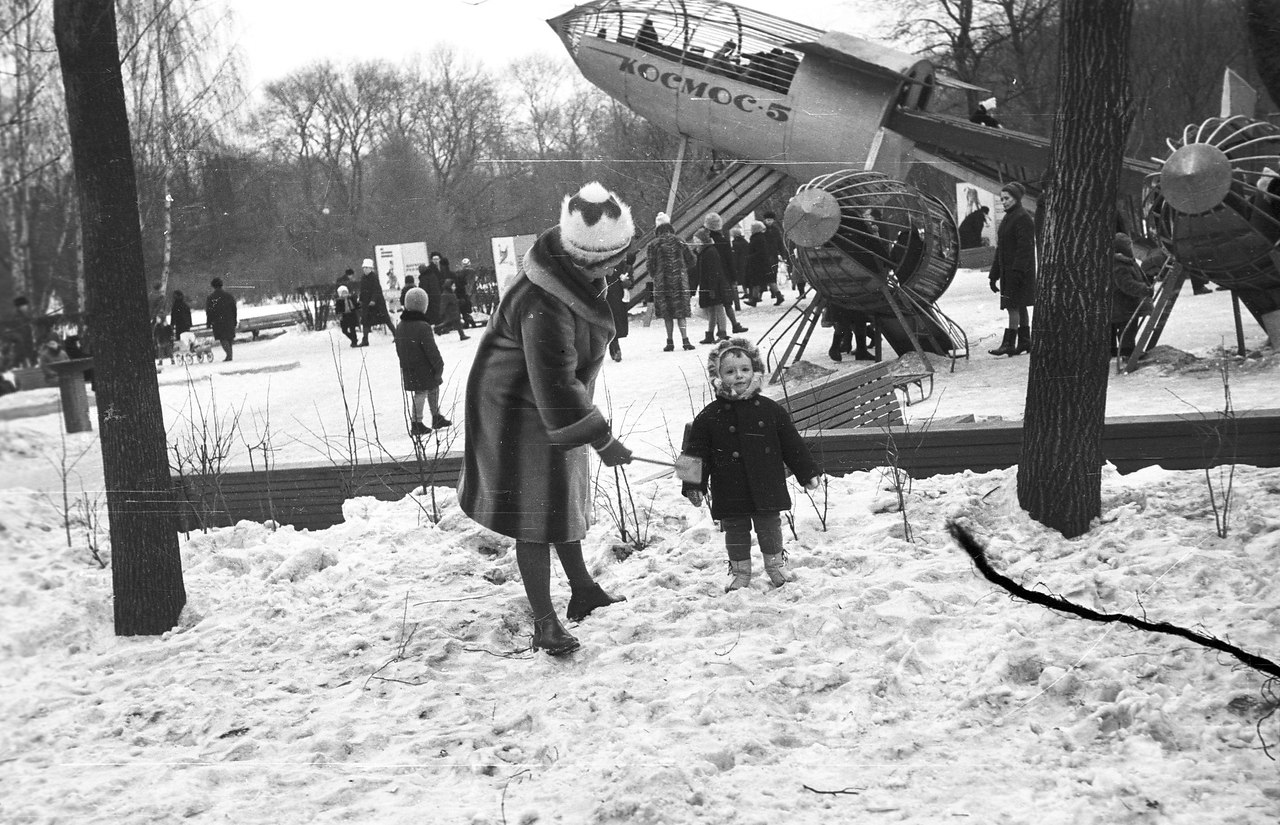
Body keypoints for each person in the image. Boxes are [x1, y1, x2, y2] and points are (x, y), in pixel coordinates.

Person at [458, 181, 634, 657]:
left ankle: (581, 589)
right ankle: (544, 622)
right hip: (514, 408)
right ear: (588, 257)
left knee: (562, 495)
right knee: (534, 515)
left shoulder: (571, 269)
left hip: (551, 404)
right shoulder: (544, 299)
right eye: (614, 259)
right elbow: (554, 381)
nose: (620, 266)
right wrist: (602, 439)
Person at [680, 338, 821, 591]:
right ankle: (740, 572)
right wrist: (692, 485)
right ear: (718, 375)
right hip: (730, 486)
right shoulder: (709, 415)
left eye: (745, 369)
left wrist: (807, 471)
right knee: (735, 530)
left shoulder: (771, 410)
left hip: (766, 482)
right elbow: (694, 452)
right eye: (730, 371)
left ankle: (775, 566)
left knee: (769, 526)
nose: (739, 376)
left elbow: (792, 443)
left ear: (755, 371)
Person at [987, 182, 1036, 356]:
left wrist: (1018, 271)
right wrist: (994, 275)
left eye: (1007, 198)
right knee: (1019, 305)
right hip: (1011, 271)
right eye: (1002, 199)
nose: (1004, 202)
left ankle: (1009, 343)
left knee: (1013, 306)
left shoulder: (1022, 217)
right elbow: (1001, 249)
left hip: (1018, 271)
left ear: (1016, 198)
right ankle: (1025, 341)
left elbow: (1025, 248)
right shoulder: (1010, 217)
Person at [394, 287, 449, 436]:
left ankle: (436, 416)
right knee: (423, 392)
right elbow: (431, 350)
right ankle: (416, 422)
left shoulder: (400, 326)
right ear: (423, 306)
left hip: (408, 366)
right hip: (424, 366)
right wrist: (439, 365)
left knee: (432, 388)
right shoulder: (423, 326)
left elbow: (399, 347)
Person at [647, 212, 696, 352]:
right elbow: (692, 260)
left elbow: (650, 266)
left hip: (662, 282)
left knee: (667, 313)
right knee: (681, 312)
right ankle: (685, 340)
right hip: (680, 281)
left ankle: (670, 341)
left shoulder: (653, 244)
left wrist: (656, 274)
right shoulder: (679, 240)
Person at [1110, 222, 1153, 358]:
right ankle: (1127, 352)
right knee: (1127, 328)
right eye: (1129, 246)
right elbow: (1127, 284)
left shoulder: (1127, 262)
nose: (1131, 249)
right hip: (1122, 305)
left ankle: (1116, 350)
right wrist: (1144, 289)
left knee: (1122, 328)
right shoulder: (1119, 264)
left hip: (1121, 304)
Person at [703, 213, 748, 333]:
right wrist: (734, 278)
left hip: (712, 276)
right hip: (725, 275)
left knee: (715, 304)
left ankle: (719, 328)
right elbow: (730, 260)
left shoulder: (706, 242)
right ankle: (734, 324)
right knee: (727, 302)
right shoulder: (724, 241)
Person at [690, 227, 729, 344]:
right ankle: (710, 334)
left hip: (714, 286)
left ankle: (722, 333)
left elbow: (714, 271)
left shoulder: (710, 252)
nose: (695, 242)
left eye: (696, 240)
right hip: (709, 285)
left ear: (702, 240)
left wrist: (712, 288)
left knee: (718, 308)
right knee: (711, 310)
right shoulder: (703, 252)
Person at [604, 253, 634, 361]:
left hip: (617, 295)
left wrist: (627, 282)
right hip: (605, 295)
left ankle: (615, 346)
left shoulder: (621, 263)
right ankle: (614, 347)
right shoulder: (602, 260)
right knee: (609, 322)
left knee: (615, 321)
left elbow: (630, 278)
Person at [358, 258, 394, 345]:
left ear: (370, 268)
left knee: (386, 319)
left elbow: (376, 290)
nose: (365, 269)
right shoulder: (363, 278)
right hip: (367, 303)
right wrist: (360, 299)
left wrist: (373, 300)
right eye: (364, 268)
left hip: (377, 304)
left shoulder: (374, 277)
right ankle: (365, 340)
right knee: (366, 321)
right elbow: (362, 290)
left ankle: (396, 335)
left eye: (366, 267)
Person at [205, 277, 238, 362]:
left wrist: (208, 323)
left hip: (218, 321)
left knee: (223, 338)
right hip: (229, 319)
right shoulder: (229, 296)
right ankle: (229, 355)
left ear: (213, 286)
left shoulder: (211, 298)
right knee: (229, 338)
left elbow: (209, 311)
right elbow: (234, 309)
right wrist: (234, 319)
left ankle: (229, 355)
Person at [760, 211, 789, 305]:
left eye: (770, 220)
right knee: (770, 275)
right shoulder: (763, 229)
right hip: (768, 255)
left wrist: (783, 254)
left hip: (772, 255)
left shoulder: (774, 230)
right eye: (767, 220)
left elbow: (780, 243)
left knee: (771, 274)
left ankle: (773, 293)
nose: (769, 222)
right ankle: (773, 293)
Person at [418, 255, 446, 325]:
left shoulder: (424, 278)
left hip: (430, 298)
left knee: (431, 313)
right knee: (437, 313)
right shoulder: (432, 274)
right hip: (436, 296)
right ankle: (441, 326)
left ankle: (438, 327)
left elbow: (424, 288)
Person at [456, 258, 477, 328]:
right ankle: (469, 321)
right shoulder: (472, 271)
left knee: (464, 308)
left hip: (464, 292)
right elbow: (471, 282)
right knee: (468, 307)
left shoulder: (460, 272)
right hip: (469, 292)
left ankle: (468, 322)